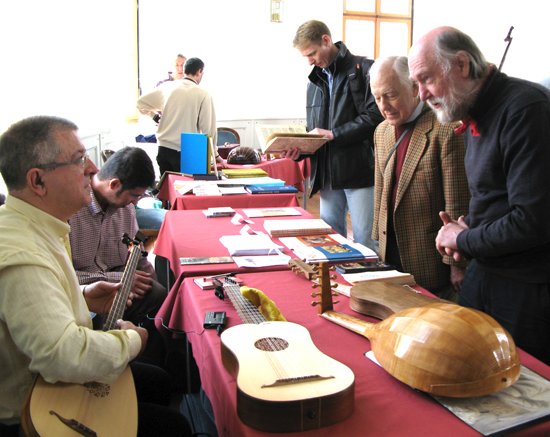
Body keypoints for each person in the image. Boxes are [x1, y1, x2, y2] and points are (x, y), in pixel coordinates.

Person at [0, 116, 191, 435]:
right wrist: (132, 339)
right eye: (78, 159)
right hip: (33, 406)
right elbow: (62, 356)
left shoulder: (41, 225)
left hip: (54, 380)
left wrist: (84, 295)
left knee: (159, 382)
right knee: (176, 426)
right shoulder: (22, 252)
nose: (92, 167)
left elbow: (41, 301)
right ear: (38, 181)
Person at [408, 26, 550, 365]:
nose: (420, 94)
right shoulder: (471, 110)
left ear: (461, 65)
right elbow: (497, 196)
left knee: (515, 395)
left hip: (526, 288)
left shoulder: (526, 109)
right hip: (486, 272)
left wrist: (466, 238)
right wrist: (468, 227)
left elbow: (533, 220)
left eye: (425, 79)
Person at [369, 56, 470, 299]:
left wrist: (456, 265)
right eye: (377, 97)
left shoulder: (445, 129)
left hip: (428, 259)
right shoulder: (381, 131)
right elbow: (381, 191)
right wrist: (376, 243)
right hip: (388, 254)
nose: (384, 106)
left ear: (415, 88)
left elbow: (456, 203)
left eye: (391, 95)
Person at [288, 20, 384, 250]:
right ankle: (335, 287)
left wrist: (334, 135)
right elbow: (316, 130)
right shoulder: (314, 81)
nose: (309, 60)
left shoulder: (364, 68)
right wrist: (298, 150)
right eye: (305, 56)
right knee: (329, 241)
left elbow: (376, 116)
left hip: (359, 170)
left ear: (326, 40)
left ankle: (369, 286)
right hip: (327, 174)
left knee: (365, 241)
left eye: (311, 53)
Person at [69, 146, 167, 363]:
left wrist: (150, 279)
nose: (134, 203)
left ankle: (149, 364)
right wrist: (121, 280)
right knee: (104, 314)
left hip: (117, 277)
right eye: (134, 196)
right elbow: (64, 278)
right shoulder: (70, 209)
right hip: (82, 291)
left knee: (158, 294)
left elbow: (138, 256)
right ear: (114, 185)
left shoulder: (126, 209)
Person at [137, 57, 222, 175]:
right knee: (187, 191)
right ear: (199, 72)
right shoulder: (203, 94)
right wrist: (215, 154)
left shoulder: (166, 87)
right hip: (187, 150)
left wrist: (155, 117)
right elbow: (208, 129)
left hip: (163, 148)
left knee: (167, 189)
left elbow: (140, 103)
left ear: (185, 70)